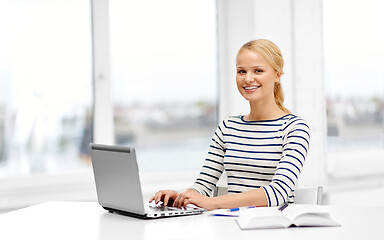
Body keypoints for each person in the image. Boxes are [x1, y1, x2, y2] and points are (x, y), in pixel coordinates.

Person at [149, 39, 310, 210]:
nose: (248, 79)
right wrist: (181, 198)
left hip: (275, 228)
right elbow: (203, 185)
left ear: (277, 75)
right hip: (231, 225)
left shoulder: (295, 128)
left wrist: (213, 203)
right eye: (241, 71)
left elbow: (279, 192)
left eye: (258, 70)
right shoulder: (227, 127)